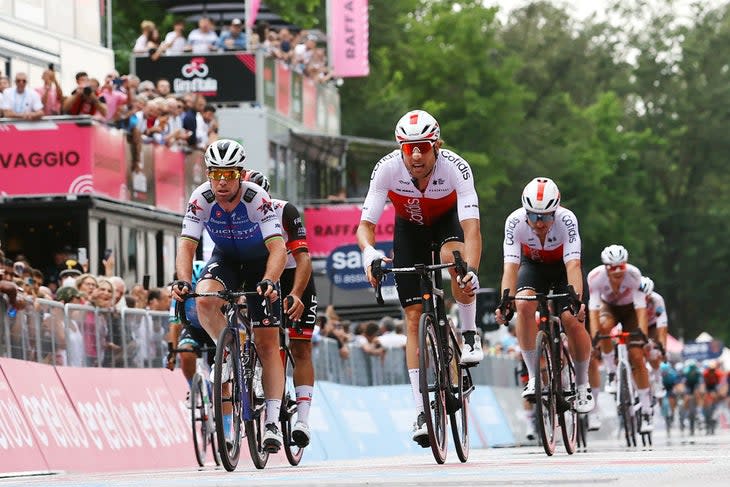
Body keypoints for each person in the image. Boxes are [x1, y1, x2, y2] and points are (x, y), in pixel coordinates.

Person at [356, 109, 483, 447]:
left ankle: (469, 334)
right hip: (409, 229)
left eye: (423, 147)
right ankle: (421, 411)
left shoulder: (456, 168)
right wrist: (369, 253)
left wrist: (470, 270)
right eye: (408, 147)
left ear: (436, 145)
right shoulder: (387, 169)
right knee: (413, 318)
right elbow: (365, 226)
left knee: (451, 261)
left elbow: (472, 228)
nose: (415, 154)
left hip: (446, 225)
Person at [171, 139, 288, 452]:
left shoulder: (256, 197)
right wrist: (183, 281)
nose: (222, 181)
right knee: (204, 298)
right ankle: (228, 345)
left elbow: (278, 247)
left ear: (241, 174)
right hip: (225, 259)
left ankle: (273, 422)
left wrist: (269, 280)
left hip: (258, 263)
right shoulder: (201, 197)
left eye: (229, 174)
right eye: (216, 174)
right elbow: (186, 244)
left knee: (267, 342)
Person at [494, 177, 594, 415]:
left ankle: (582, 384)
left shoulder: (567, 220)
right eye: (534, 216)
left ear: (556, 211)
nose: (539, 223)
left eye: (546, 216)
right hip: (534, 266)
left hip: (563, 269)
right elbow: (510, 267)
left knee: (571, 319)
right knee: (523, 306)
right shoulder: (514, 221)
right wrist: (505, 302)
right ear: (525, 211)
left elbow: (573, 265)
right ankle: (533, 377)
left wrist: (575, 300)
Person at [246, 170, 317, 447]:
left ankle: (303, 420)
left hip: (292, 275)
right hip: (262, 276)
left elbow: (304, 258)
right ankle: (270, 416)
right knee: (268, 343)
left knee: (300, 347)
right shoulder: (236, 216)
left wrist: (297, 294)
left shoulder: (283, 210)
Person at [587, 244, 654, 432]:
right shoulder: (595, 277)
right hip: (609, 308)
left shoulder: (634, 274)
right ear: (606, 267)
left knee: (636, 356)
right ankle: (610, 372)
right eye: (613, 267)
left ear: (626, 265)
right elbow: (593, 310)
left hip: (631, 310)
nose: (617, 271)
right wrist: (595, 338)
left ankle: (647, 410)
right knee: (604, 328)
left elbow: (641, 309)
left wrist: (642, 334)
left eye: (621, 267)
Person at [639, 276, 668, 399]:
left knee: (654, 353)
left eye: (647, 297)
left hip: (652, 326)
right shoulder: (629, 298)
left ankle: (657, 379)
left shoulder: (657, 300)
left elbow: (662, 325)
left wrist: (662, 347)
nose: (645, 300)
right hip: (636, 325)